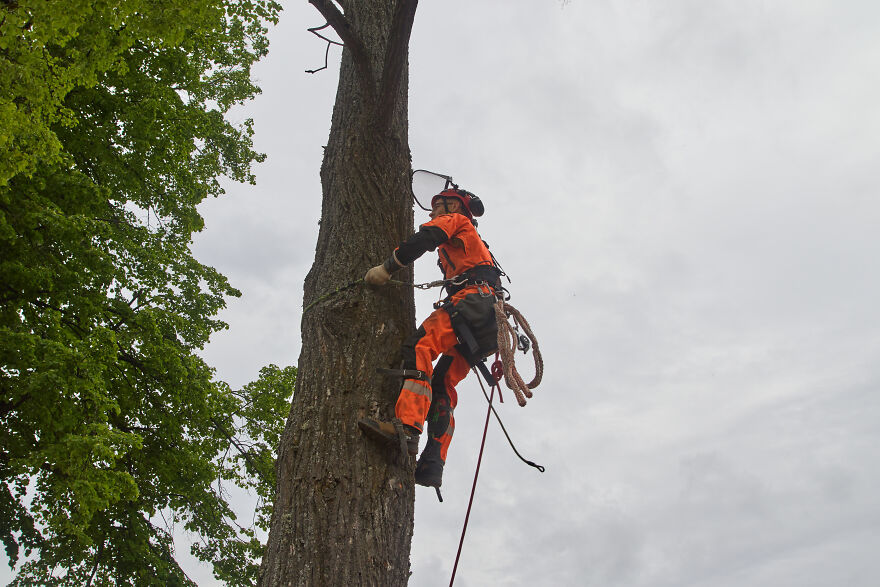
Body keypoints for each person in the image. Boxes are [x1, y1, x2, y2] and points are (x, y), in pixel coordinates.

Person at [358, 188, 502, 489]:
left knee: (419, 346)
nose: (432, 213)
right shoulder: (473, 245)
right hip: (488, 320)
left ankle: (407, 429)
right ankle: (433, 463)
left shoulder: (456, 221)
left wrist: (387, 268)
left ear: (453, 207)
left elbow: (425, 239)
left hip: (473, 302)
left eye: (438, 206)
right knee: (442, 383)